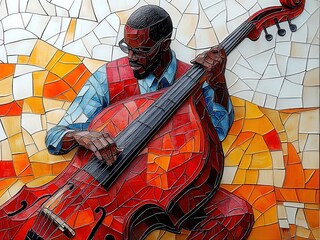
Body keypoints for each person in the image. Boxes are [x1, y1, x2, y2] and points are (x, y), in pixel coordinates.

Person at [46, 5, 253, 239]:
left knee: (235, 213)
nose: (131, 57)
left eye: (141, 50)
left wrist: (218, 85)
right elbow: (56, 135)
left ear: (164, 44)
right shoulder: (108, 77)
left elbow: (218, 131)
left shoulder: (195, 79)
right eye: (127, 48)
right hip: (97, 183)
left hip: (165, 185)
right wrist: (79, 135)